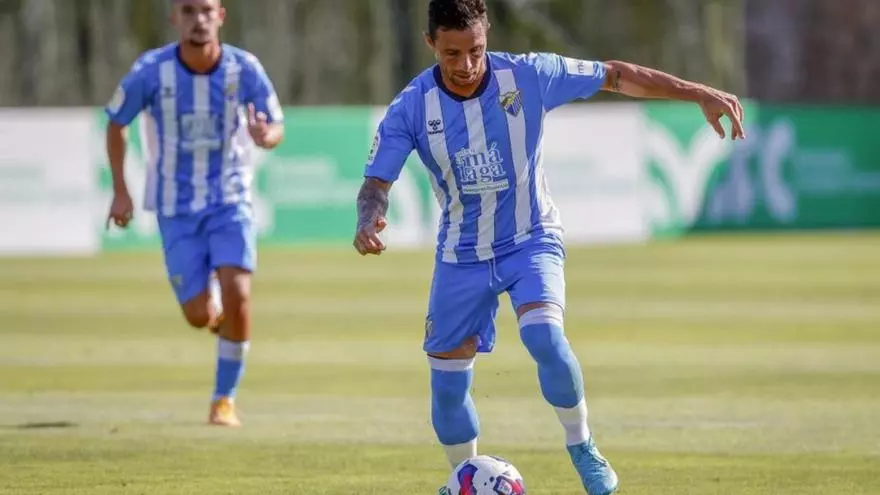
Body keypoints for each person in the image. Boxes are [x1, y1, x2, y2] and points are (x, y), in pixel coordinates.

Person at [352, 0, 745, 493]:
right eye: (452, 53)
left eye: (475, 50)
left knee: (545, 338)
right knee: (447, 389)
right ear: (431, 43)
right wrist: (368, 219)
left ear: (487, 34)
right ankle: (464, 478)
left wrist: (697, 92)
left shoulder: (529, 75)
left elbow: (615, 75)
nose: (466, 65)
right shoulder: (411, 106)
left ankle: (582, 445)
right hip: (460, 255)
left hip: (530, 239)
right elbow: (375, 185)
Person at [104, 0, 284, 427]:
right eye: (188, 10)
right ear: (174, 18)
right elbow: (116, 122)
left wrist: (265, 135)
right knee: (198, 315)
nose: (198, 19)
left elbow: (276, 124)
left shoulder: (244, 68)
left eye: (206, 10)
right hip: (176, 207)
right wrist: (121, 191)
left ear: (221, 15)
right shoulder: (151, 71)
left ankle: (224, 400)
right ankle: (215, 313)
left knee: (240, 293)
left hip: (230, 200)